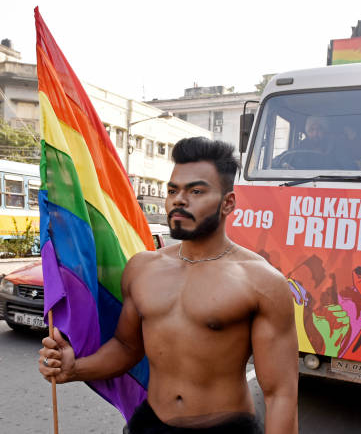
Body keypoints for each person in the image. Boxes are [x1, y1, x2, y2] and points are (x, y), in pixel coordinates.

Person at [39, 138, 299, 433]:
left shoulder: (261, 282)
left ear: (228, 203)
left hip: (224, 428)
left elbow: (280, 394)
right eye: (173, 190)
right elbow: (127, 347)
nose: (179, 200)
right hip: (150, 423)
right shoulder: (143, 268)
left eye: (196, 191)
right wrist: (74, 369)